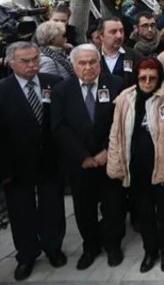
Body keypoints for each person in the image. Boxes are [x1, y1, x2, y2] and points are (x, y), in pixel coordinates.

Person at [106, 58, 164, 273]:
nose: (148, 82)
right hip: (136, 168)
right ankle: (150, 251)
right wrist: (115, 164)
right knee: (144, 214)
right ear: (137, 78)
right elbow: (116, 133)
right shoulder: (125, 99)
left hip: (162, 167)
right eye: (143, 78)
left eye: (152, 77)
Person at [51, 44, 126, 270]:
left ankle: (113, 245)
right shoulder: (62, 91)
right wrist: (83, 156)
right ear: (74, 66)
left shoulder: (116, 84)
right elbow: (59, 127)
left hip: (109, 159)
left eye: (93, 62)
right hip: (79, 163)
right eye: (82, 63)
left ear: (99, 63)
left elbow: (120, 123)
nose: (88, 67)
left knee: (114, 206)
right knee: (84, 208)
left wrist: (106, 151)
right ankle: (90, 247)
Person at [0, 43, 66, 281]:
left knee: (52, 206)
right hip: (16, 166)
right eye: (25, 61)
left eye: (35, 59)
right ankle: (26, 255)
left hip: (50, 160)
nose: (32, 65)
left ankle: (53, 247)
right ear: (11, 63)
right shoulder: (3, 90)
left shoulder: (53, 83)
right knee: (21, 212)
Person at [98, 17, 142, 87]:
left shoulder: (135, 56)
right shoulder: (94, 57)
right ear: (101, 35)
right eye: (113, 32)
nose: (119, 36)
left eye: (121, 31)